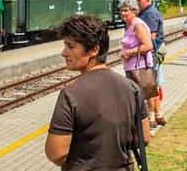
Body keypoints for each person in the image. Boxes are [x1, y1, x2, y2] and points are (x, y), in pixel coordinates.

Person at [45, 14, 150, 169]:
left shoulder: (71, 94)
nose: (64, 52)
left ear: (93, 50)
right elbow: (144, 138)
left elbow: (56, 152)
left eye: (70, 46)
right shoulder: (132, 88)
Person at [134, 0, 166, 127]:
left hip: (151, 54)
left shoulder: (149, 14)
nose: (137, 2)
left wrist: (139, 53)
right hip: (155, 53)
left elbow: (150, 39)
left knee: (149, 87)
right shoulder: (147, 12)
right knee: (154, 86)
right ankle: (159, 114)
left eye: (139, 0)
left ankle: (151, 117)